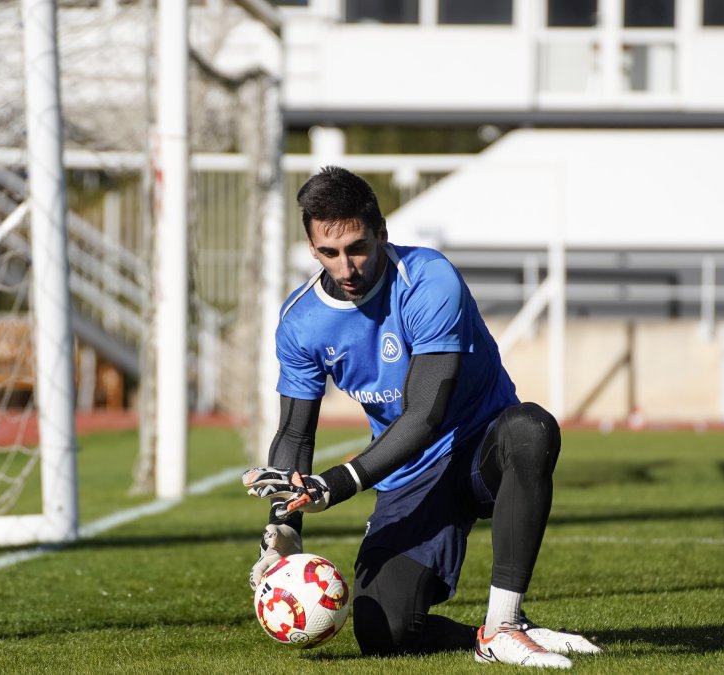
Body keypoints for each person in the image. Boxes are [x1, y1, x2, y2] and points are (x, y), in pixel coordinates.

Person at [242, 166, 600, 669]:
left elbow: (425, 414)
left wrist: (337, 484)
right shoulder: (301, 321)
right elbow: (294, 434)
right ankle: (486, 639)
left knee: (531, 429)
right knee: (382, 632)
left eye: (357, 247)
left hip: (479, 449)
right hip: (410, 473)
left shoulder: (429, 278)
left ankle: (506, 623)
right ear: (311, 248)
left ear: (382, 232)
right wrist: (284, 529)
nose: (346, 267)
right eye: (329, 252)